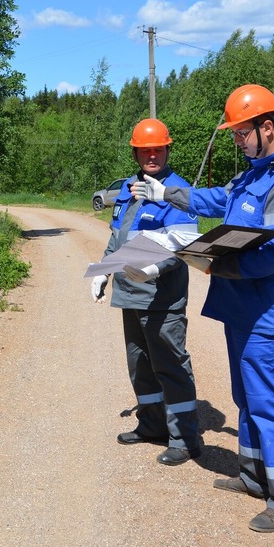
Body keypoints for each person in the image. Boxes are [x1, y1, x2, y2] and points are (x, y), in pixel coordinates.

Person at [131, 84, 274, 533]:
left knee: (272, 402)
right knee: (246, 398)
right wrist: (167, 195)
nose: (236, 141)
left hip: (268, 314)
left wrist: (215, 264)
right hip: (242, 311)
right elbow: (217, 200)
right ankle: (255, 477)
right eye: (234, 134)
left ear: (266, 128)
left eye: (240, 133)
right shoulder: (256, 172)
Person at [92, 118, 202, 466]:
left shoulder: (178, 192)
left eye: (158, 149)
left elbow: (183, 244)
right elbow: (117, 237)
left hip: (162, 297)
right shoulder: (128, 189)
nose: (151, 156)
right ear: (136, 153)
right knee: (140, 365)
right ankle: (152, 424)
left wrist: (156, 268)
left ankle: (184, 439)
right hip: (128, 293)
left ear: (167, 150)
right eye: (145, 150)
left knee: (170, 365)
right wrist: (103, 271)